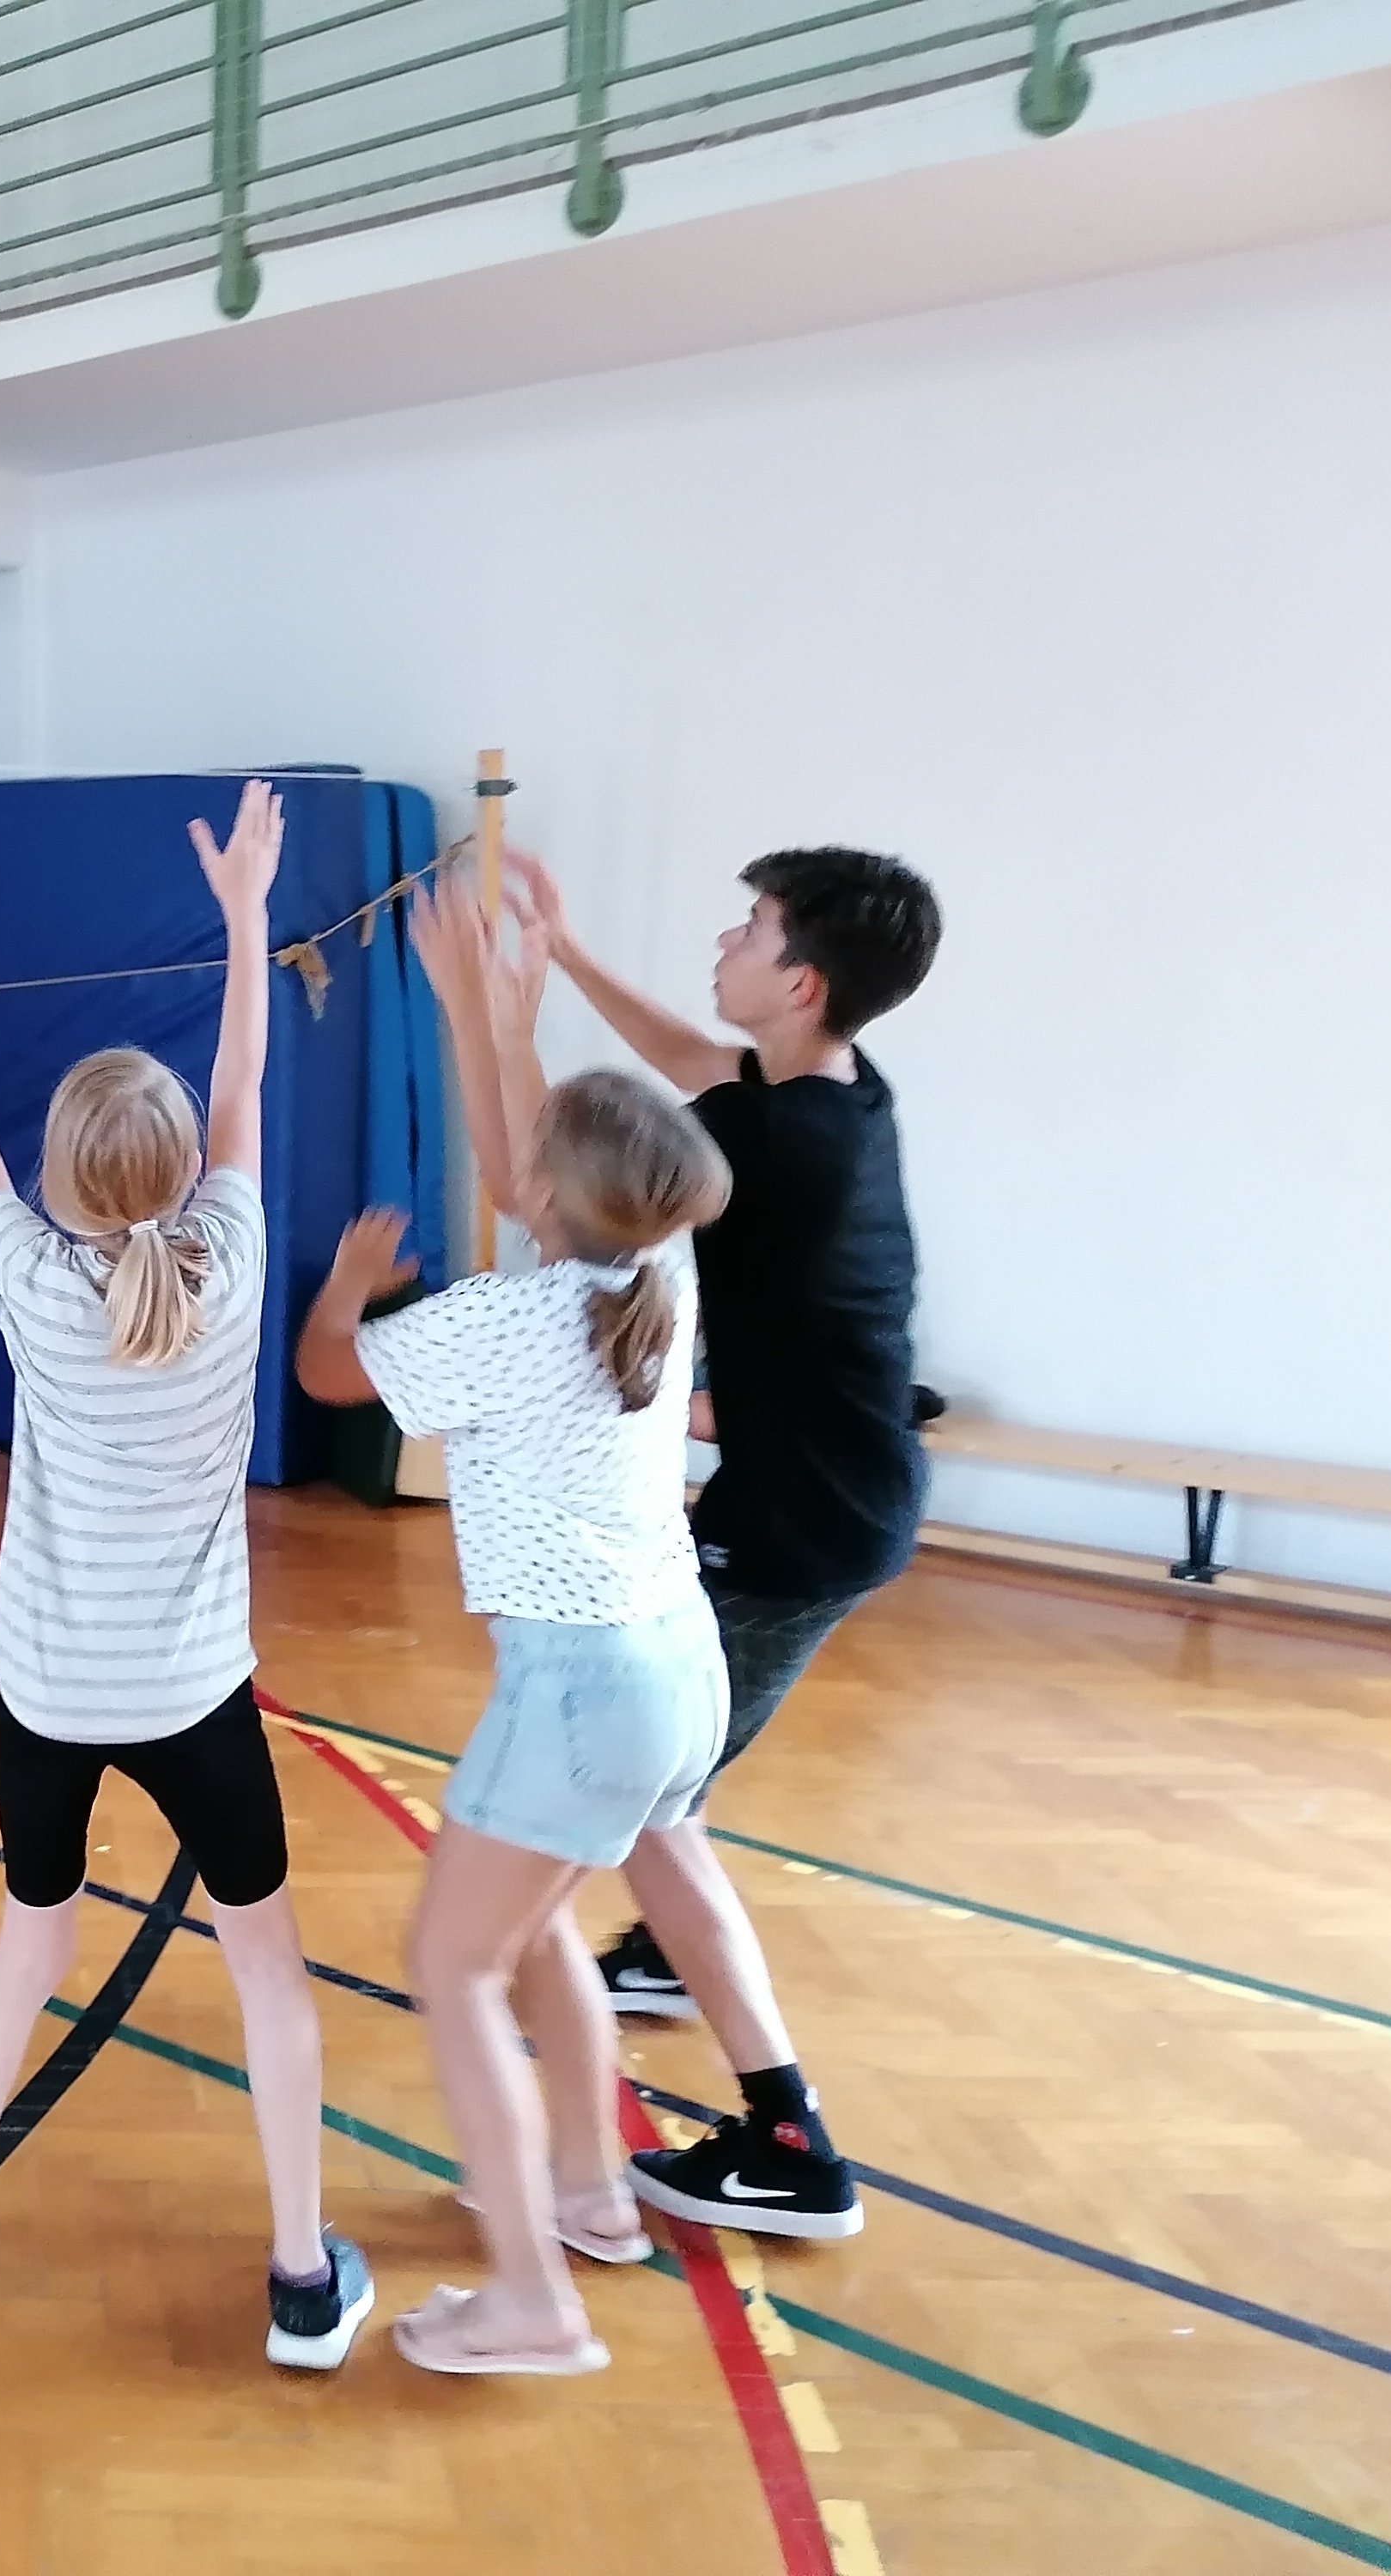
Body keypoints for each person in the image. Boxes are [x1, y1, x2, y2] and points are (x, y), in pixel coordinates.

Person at [0, 781, 376, 2373]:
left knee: (28, 1951)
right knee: (267, 1967)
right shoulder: (235, 1258)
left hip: (47, 1697)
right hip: (195, 1696)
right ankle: (302, 2280)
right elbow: (244, 1075)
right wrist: (249, 911)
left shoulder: (26, 1277)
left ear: (59, 1179)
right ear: (186, 1171)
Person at [295, 872, 732, 2376]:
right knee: (534, 1937)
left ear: (551, 1197)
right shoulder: (655, 1270)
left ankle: (533, 2300)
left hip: (580, 1693)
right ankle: (590, 2194)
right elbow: (529, 1162)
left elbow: (334, 1381)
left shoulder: (505, 1321)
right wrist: (489, 1013)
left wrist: (348, 1291)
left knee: (456, 1967)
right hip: (674, 1669)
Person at [508, 842, 939, 2241]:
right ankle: (661, 1959)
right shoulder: (835, 1088)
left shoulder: (786, 1147)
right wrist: (567, 950)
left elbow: (558, 1193)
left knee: (645, 1793)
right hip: (828, 1499)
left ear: (801, 981)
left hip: (800, 1525)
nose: (725, 941)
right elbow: (701, 1064)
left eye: (750, 929)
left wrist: (500, 1015)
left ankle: (790, 2144)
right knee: (662, 1794)